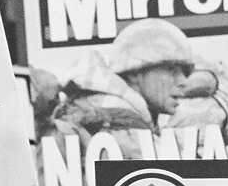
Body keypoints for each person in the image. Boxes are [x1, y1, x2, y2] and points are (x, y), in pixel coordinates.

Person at [53, 19, 195, 148]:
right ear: (134, 73)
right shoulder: (122, 123)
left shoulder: (101, 110)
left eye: (185, 73)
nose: (183, 82)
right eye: (171, 70)